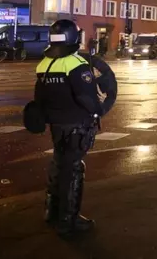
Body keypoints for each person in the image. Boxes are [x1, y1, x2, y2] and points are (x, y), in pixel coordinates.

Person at [35, 19, 117, 236]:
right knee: (73, 170)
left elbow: (39, 98)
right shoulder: (75, 64)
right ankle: (68, 220)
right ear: (73, 38)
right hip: (76, 125)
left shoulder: (44, 64)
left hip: (57, 125)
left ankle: (51, 212)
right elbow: (87, 97)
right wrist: (99, 109)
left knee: (58, 164)